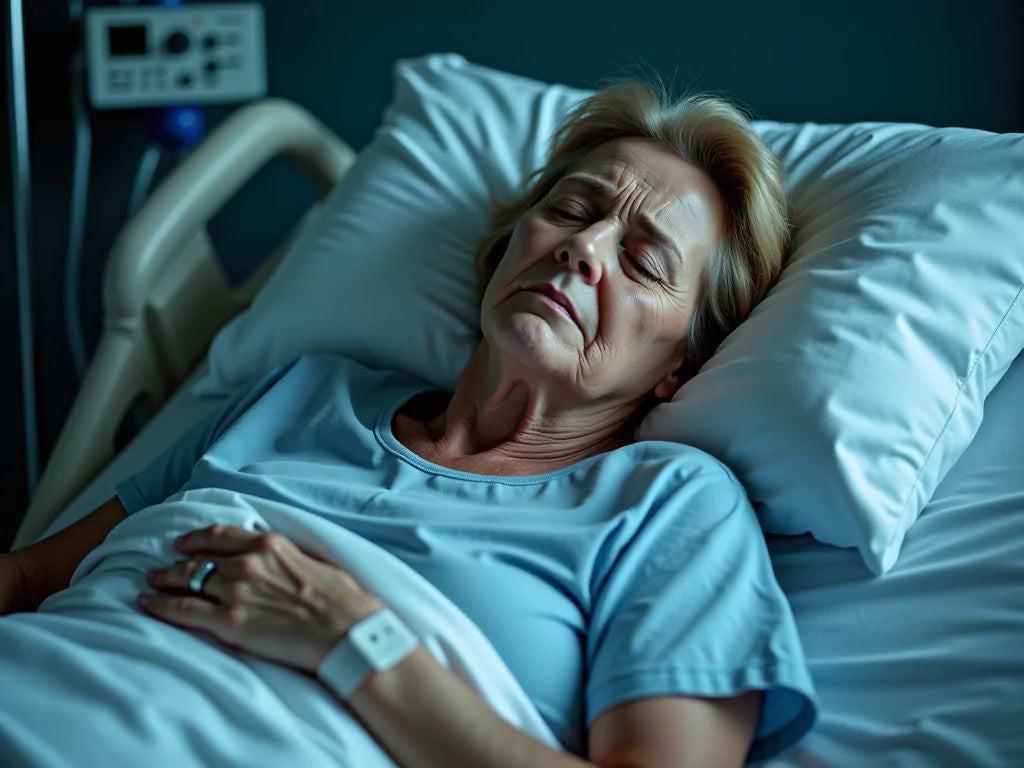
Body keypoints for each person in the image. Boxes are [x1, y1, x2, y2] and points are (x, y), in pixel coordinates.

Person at [0, 80, 816, 767]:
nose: (586, 249)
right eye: (572, 210)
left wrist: (356, 640)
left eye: (643, 262)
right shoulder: (304, 392)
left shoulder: (671, 508)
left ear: (681, 361)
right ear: (506, 247)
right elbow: (32, 580)